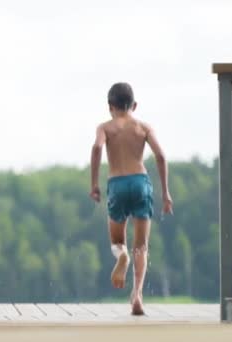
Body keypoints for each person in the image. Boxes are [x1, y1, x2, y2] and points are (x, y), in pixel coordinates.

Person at [89, 82, 173, 315]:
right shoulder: (143, 127)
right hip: (141, 183)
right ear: (134, 105)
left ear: (109, 106)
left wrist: (94, 184)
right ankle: (137, 294)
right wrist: (165, 192)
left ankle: (121, 255)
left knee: (117, 241)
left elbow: (96, 149)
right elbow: (161, 156)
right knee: (142, 246)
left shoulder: (105, 127)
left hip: (117, 184)